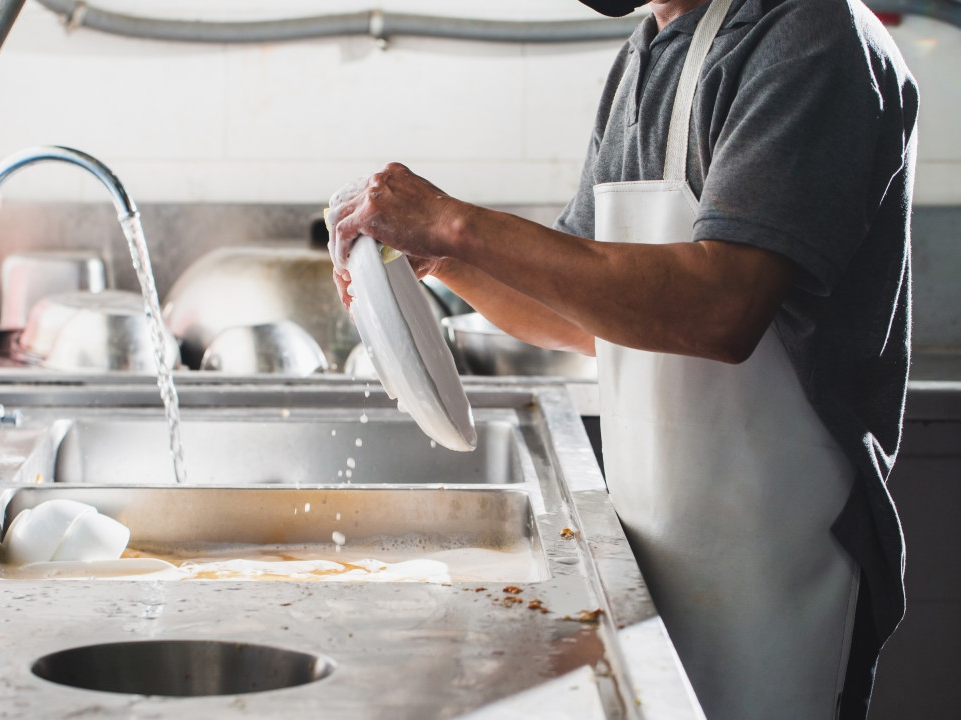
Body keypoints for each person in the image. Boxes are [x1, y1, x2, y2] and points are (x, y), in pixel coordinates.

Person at [326, 0, 918, 717]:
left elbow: (723, 310)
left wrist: (459, 223)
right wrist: (442, 256)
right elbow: (578, 317)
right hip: (657, 551)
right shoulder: (648, 50)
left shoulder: (811, 37)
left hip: (782, 561)